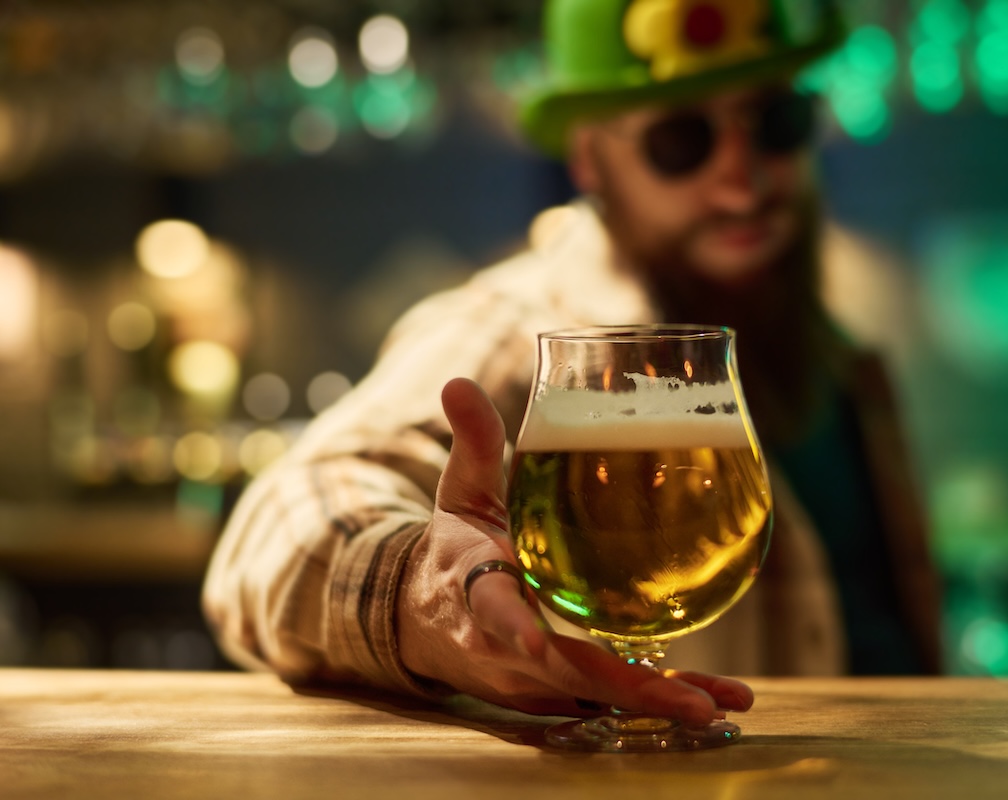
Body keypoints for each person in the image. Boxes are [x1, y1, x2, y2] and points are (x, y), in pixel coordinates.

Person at [202, 0, 941, 725]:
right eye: (681, 141)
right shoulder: (524, 333)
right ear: (589, 157)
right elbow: (278, 522)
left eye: (778, 123)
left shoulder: (836, 360)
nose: (743, 179)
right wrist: (421, 593)